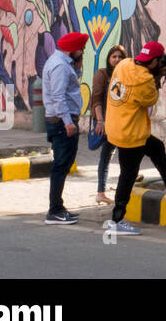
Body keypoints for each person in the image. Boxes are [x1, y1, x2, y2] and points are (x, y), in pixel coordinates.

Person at [104, 42, 166, 236]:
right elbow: (150, 100)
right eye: (159, 61)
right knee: (128, 175)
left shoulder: (125, 64)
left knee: (156, 147)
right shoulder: (144, 81)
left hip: (117, 126)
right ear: (154, 62)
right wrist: (159, 76)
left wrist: (156, 72)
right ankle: (116, 219)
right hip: (131, 133)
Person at [42, 32, 87, 225]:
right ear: (73, 48)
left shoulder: (60, 62)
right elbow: (58, 96)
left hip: (60, 120)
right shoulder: (60, 65)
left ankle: (58, 207)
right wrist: (68, 122)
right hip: (62, 122)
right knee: (61, 165)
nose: (82, 51)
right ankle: (55, 210)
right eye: (81, 48)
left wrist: (77, 68)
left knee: (62, 164)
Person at [91, 44, 128, 204]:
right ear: (109, 58)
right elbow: (96, 99)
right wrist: (100, 121)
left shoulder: (126, 75)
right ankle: (101, 192)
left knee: (125, 156)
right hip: (106, 121)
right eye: (114, 57)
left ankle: (118, 188)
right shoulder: (102, 74)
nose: (117, 59)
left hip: (122, 122)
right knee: (106, 156)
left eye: (120, 57)